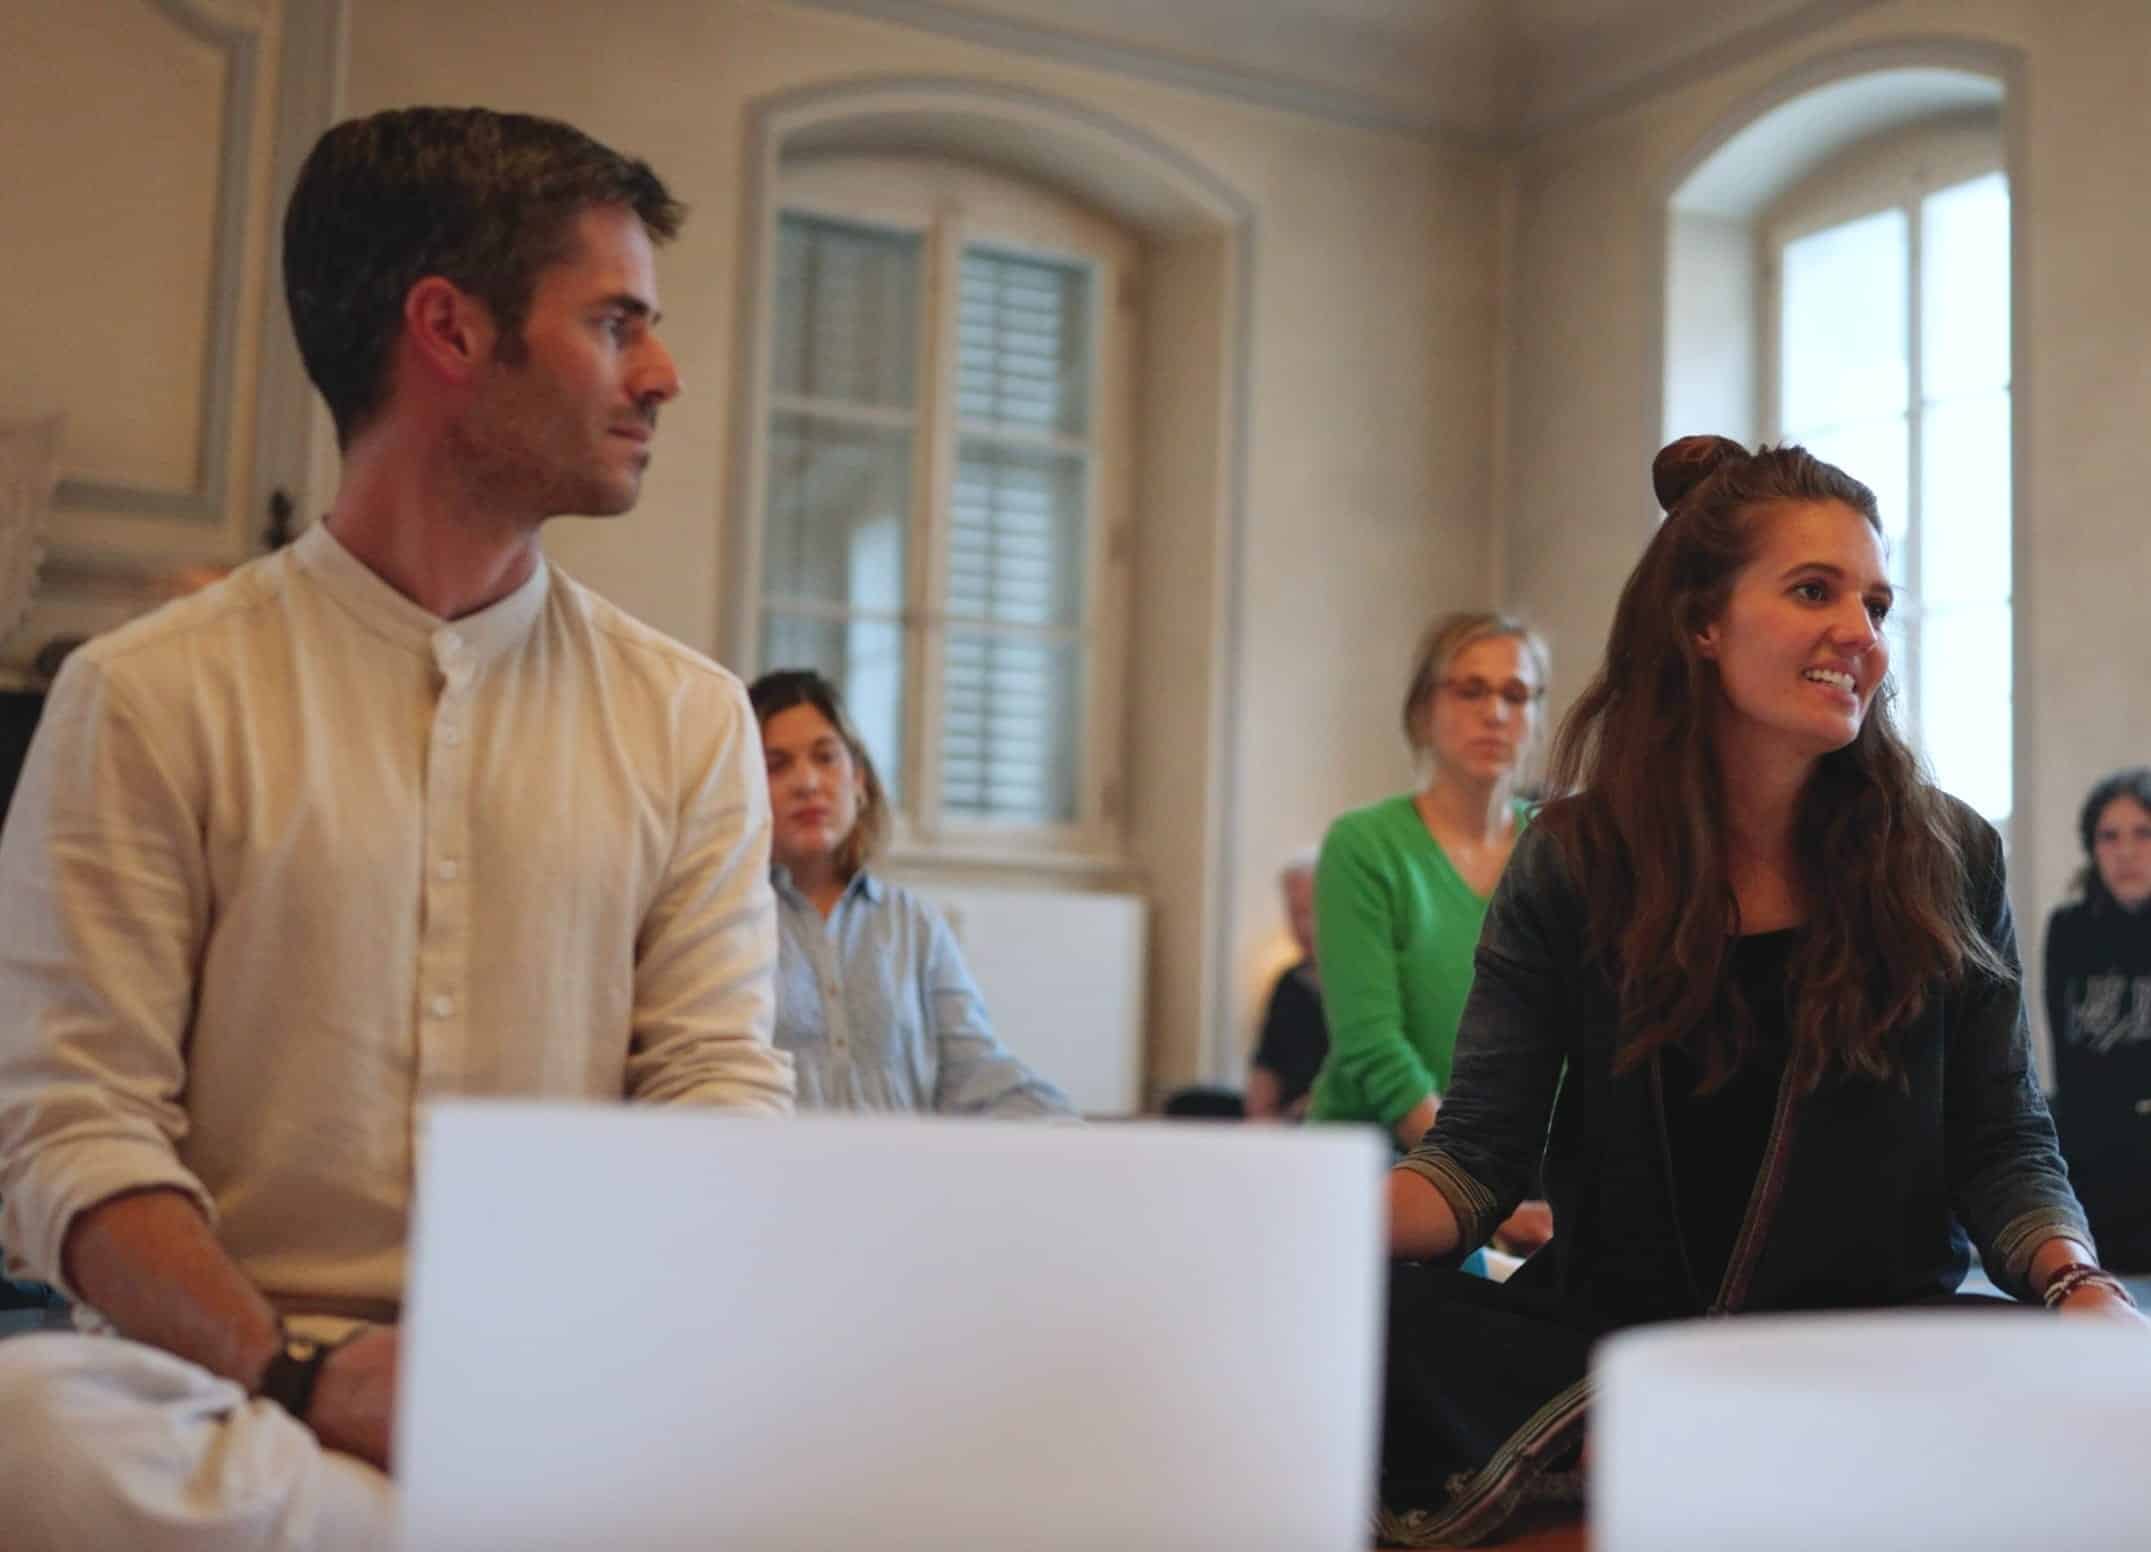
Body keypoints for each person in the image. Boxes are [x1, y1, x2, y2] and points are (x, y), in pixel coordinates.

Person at [0, 107, 795, 1550]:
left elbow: (717, 1097)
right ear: (448, 329)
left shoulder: (688, 717)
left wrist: (568, 1368)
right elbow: (70, 1130)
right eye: (615, 325)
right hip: (241, 1399)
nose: (663, 377)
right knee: (27, 1435)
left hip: (581, 1384)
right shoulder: (148, 695)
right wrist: (310, 1377)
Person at [1377, 437, 2134, 1548]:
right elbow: (1478, 1158)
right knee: (1374, 1320)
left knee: (2099, 1385)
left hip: (1880, 1346)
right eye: (1815, 591)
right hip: (1620, 1345)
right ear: (1701, 623)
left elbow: (2003, 1141)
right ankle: (1652, 1446)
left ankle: (1701, 1455)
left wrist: (2077, 1284)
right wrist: (1304, 1233)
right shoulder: (1577, 858)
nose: (1861, 635)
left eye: (1876, 603)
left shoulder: (1948, 853)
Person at [1305, 611, 1555, 1256]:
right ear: (1423, 711)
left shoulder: (1561, 847)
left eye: (1515, 694)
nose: (1495, 712)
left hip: (1521, 1173)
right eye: (1470, 690)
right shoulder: (1364, 844)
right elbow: (1372, 1044)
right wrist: (1474, 1189)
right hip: (1385, 1162)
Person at [749, 668, 1075, 1118]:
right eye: (776, 765)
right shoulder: (729, 921)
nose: (807, 782)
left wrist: (1068, 1132)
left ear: (859, 780)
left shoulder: (915, 925)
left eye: (826, 757)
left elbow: (976, 1070)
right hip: (767, 1179)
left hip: (901, 1180)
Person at [2045, 767, 2151, 1271]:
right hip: (2091, 1153)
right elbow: (2066, 1056)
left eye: (2143, 833)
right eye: (2109, 837)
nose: (2125, 851)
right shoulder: (2068, 929)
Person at [1246, 851, 1328, 1120]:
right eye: (1295, 913)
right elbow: (1264, 1074)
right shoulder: (1288, 984)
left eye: (1314, 911)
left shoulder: (1373, 986)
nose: (1304, 927)